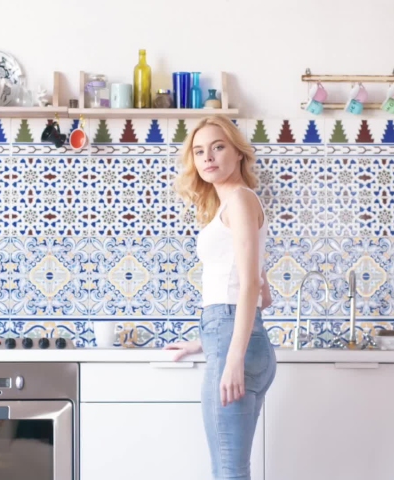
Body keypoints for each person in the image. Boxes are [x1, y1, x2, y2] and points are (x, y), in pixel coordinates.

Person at [164, 115, 277, 480]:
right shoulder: (232, 205)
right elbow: (263, 292)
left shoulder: (241, 200)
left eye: (218, 147)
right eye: (199, 151)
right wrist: (203, 341)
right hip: (234, 337)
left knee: (229, 472)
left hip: (237, 345)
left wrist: (232, 357)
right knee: (229, 469)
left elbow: (249, 288)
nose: (208, 157)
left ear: (238, 153)